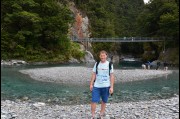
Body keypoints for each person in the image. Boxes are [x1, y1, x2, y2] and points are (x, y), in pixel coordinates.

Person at [89, 50, 114, 119]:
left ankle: (101, 113)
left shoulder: (109, 64)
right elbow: (94, 74)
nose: (102, 57)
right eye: (101, 55)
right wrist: (91, 84)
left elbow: (112, 76)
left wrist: (112, 87)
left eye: (104, 55)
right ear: (99, 56)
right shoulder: (97, 64)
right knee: (94, 100)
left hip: (106, 86)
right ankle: (93, 115)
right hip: (96, 86)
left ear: (106, 56)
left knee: (104, 101)